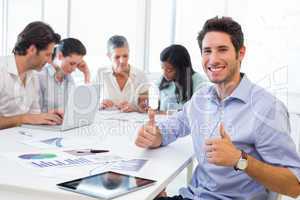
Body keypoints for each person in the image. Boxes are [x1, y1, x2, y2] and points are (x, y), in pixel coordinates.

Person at [135, 17, 300, 199]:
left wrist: (240, 160)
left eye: (222, 50)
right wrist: (153, 135)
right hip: (193, 195)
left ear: (241, 52)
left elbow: (294, 185)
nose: (213, 59)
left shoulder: (268, 108)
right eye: (207, 51)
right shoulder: (200, 99)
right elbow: (168, 131)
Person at [0, 21, 63, 130]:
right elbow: (26, 118)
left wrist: (47, 117)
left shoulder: (33, 75)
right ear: (32, 50)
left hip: (23, 139)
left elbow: (33, 116)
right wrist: (23, 119)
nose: (49, 61)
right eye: (47, 55)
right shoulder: (2, 71)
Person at [94, 35, 148, 112]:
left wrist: (134, 109)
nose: (122, 61)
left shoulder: (140, 75)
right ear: (109, 56)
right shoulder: (100, 73)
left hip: (133, 122)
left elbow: (145, 107)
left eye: (125, 56)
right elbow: (89, 104)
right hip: (107, 121)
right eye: (117, 57)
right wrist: (100, 105)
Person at [38, 38, 90, 112]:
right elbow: (32, 113)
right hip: (43, 123)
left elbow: (82, 106)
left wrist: (86, 74)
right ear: (60, 56)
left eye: (77, 64)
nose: (74, 69)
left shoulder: (69, 78)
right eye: (72, 63)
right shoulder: (40, 76)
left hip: (63, 122)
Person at [157, 44, 207, 112]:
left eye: (169, 70)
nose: (164, 74)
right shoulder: (163, 81)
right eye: (162, 68)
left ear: (181, 68)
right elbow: (158, 107)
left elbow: (198, 112)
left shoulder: (199, 83)